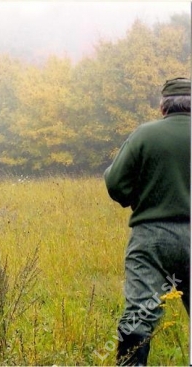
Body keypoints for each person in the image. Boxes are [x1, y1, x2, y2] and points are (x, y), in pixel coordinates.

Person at [104, 77, 191, 365]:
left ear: (163, 106)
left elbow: (116, 183)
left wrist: (137, 196)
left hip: (151, 237)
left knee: (140, 312)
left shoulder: (144, 135)